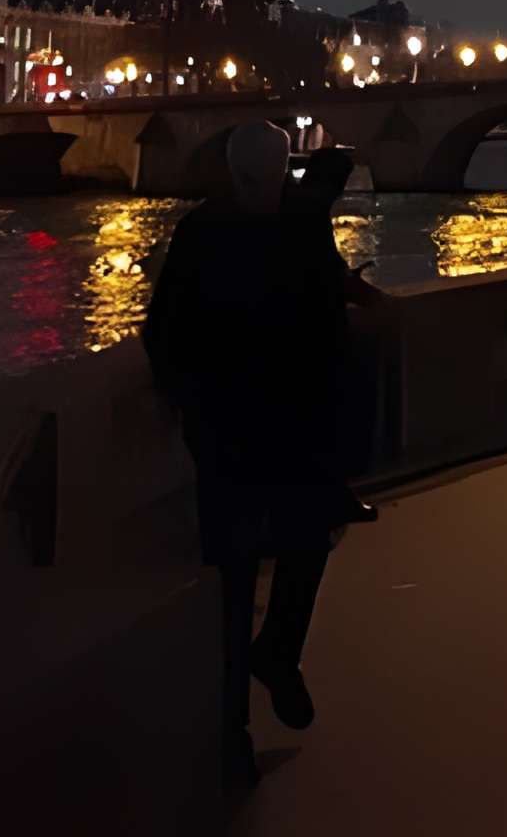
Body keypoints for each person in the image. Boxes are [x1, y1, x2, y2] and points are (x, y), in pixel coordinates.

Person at [142, 122, 369, 783]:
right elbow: (329, 320)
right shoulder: (276, 225)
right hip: (251, 424)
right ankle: (240, 710)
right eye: (253, 179)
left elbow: (165, 330)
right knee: (266, 562)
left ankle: (266, 664)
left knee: (278, 556)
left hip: (250, 424)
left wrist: (184, 396)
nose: (261, 188)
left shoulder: (208, 233)